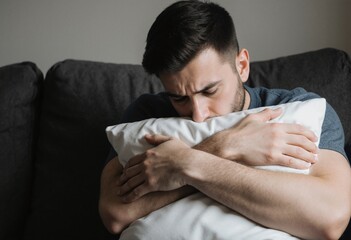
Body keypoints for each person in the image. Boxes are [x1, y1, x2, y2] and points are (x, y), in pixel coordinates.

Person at [99, 1, 351, 239]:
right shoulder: (146, 114)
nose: (198, 113)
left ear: (241, 65)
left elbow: (331, 219)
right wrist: (226, 146)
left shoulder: (300, 108)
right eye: (178, 98)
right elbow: (116, 214)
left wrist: (185, 163)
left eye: (209, 91)